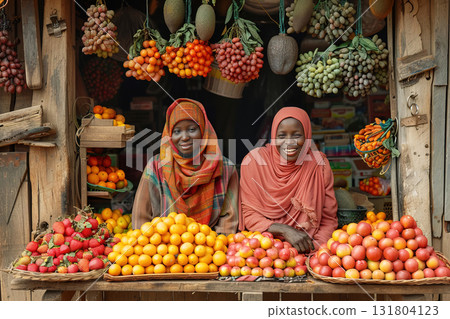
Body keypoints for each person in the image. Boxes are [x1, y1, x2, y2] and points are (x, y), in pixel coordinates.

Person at [132, 98, 239, 234]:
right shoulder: (156, 167)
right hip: (162, 248)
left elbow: (228, 222)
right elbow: (140, 220)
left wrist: (214, 246)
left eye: (192, 129)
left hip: (211, 248)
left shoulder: (226, 168)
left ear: (204, 131)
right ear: (169, 134)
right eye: (177, 131)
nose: (184, 137)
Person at [239, 107, 337, 253]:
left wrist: (315, 249)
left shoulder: (319, 164)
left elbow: (328, 219)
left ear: (307, 136)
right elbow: (250, 216)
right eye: (282, 135)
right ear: (273, 136)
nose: (289, 142)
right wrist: (285, 231)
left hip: (307, 251)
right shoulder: (254, 162)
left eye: (297, 135)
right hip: (264, 251)